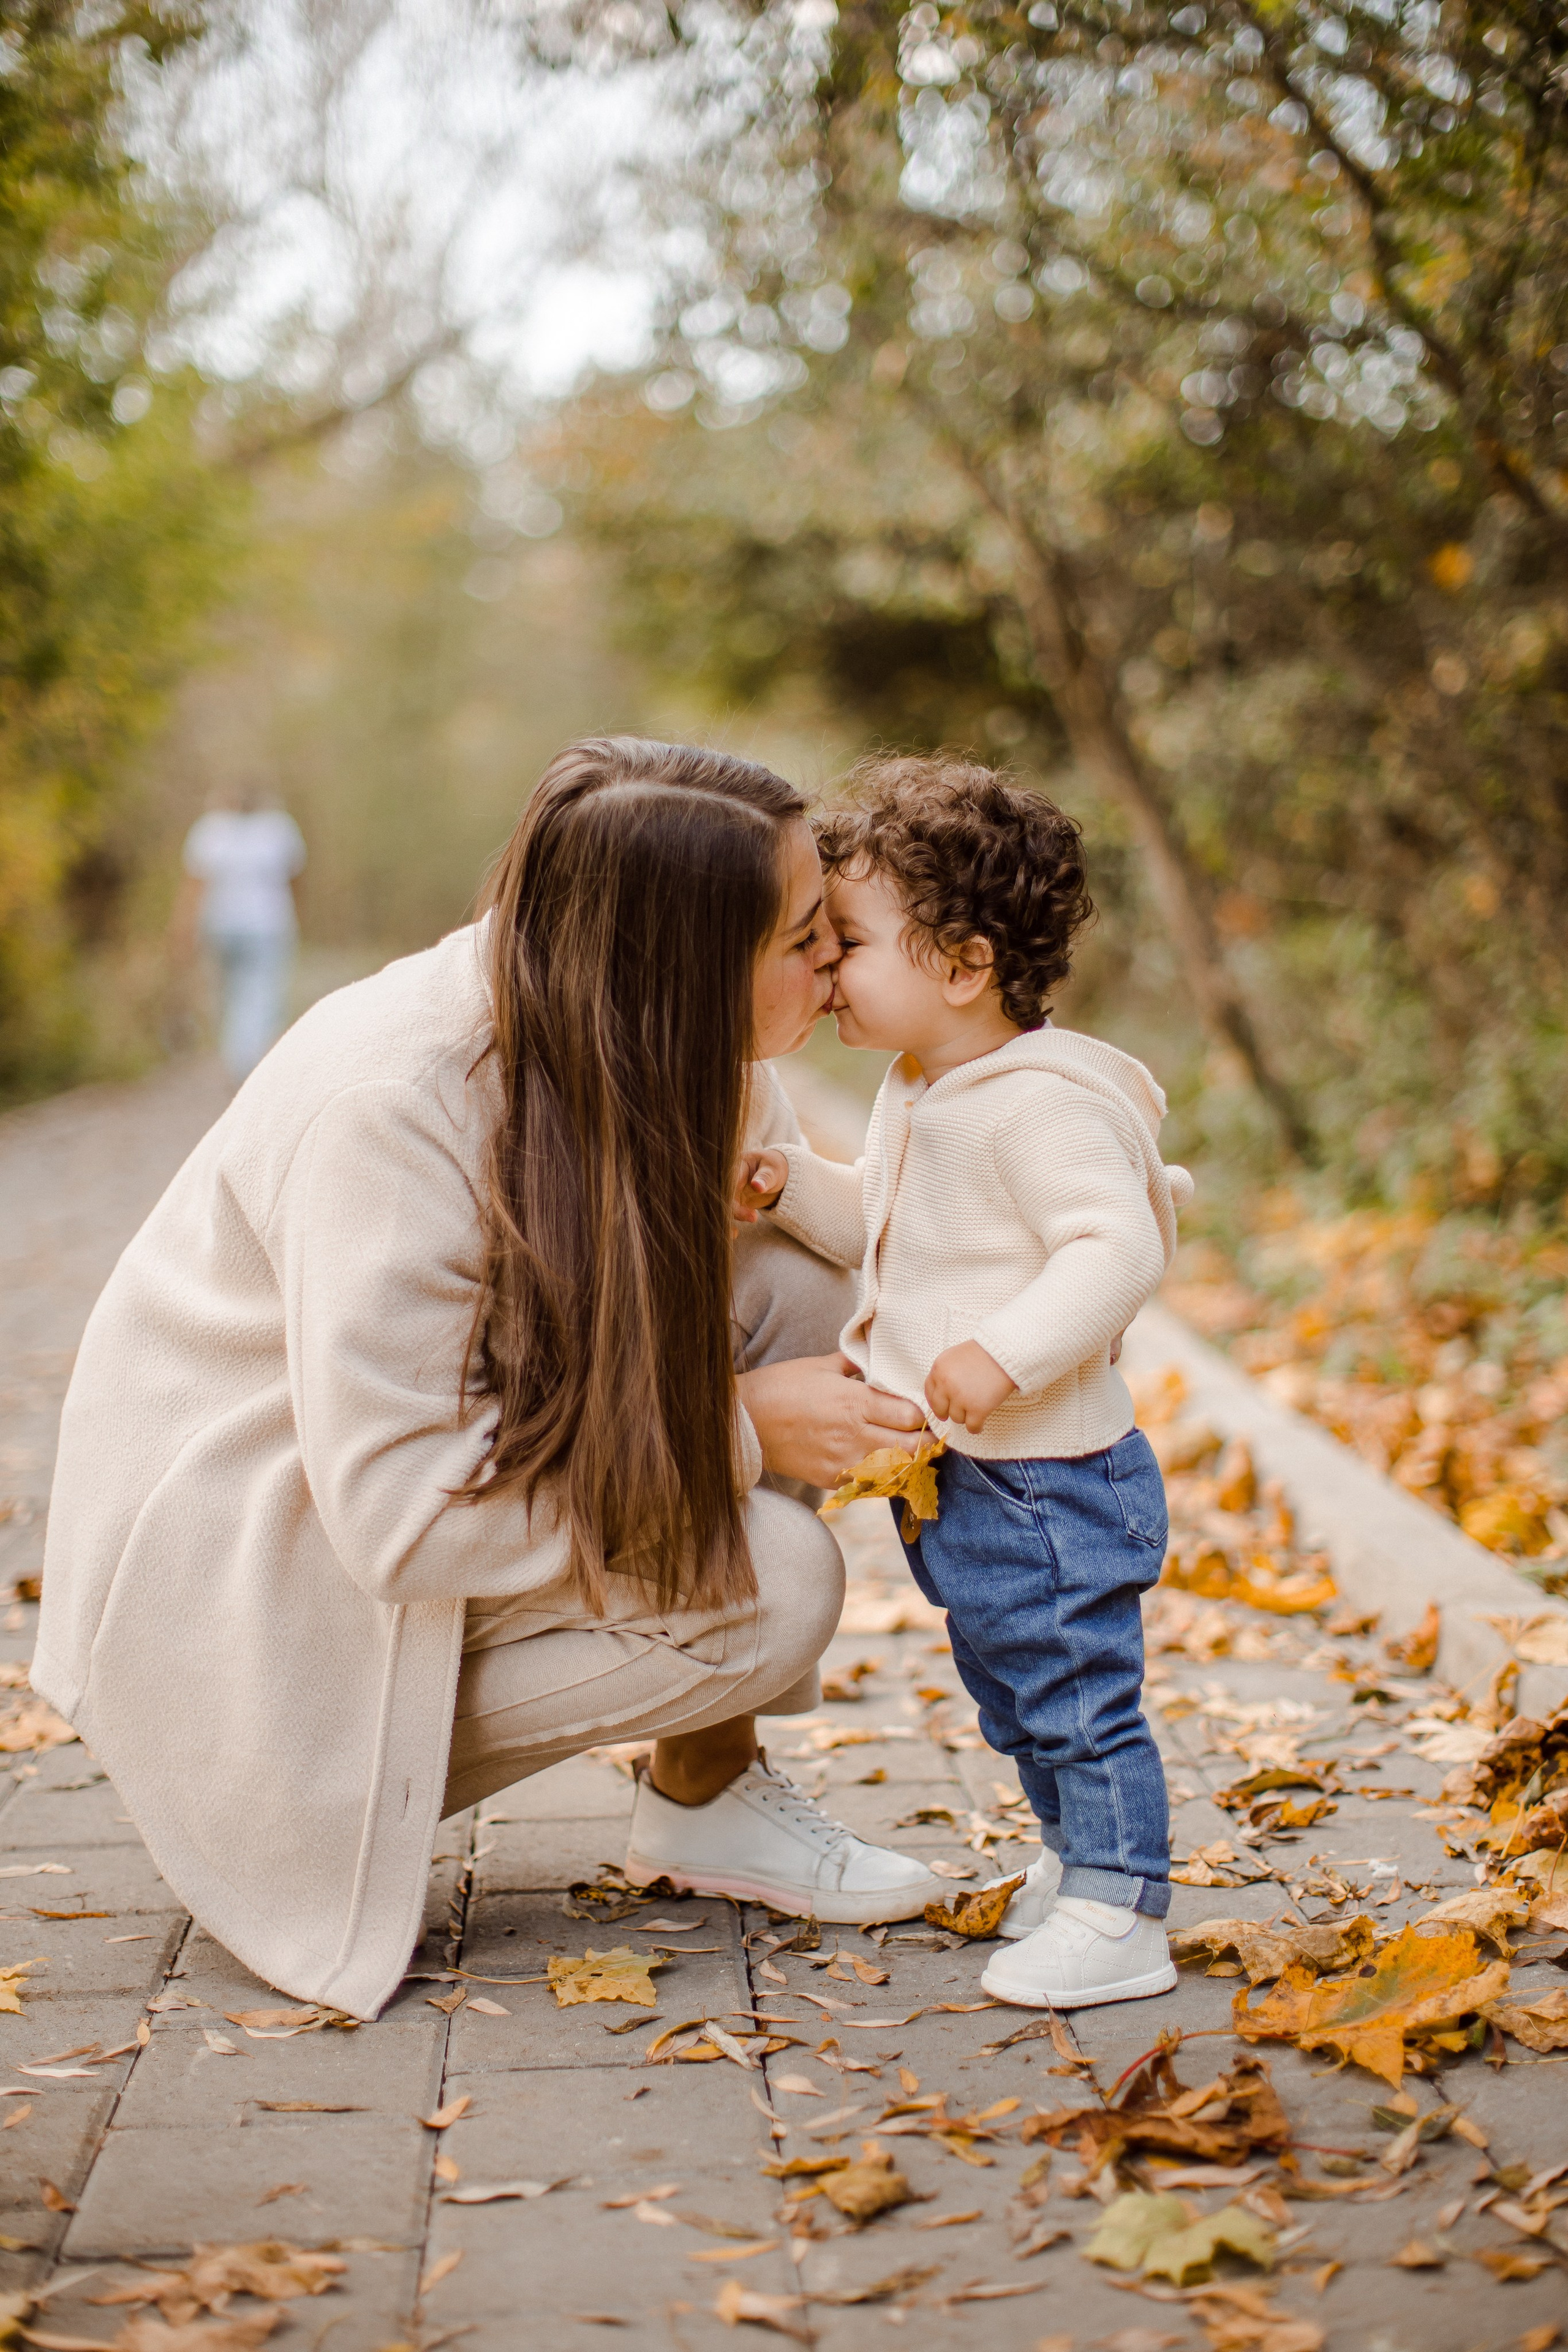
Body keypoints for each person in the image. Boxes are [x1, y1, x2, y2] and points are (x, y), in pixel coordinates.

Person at [34, 739, 944, 2020]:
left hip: (438, 1462)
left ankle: (706, 1797)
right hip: (250, 1585)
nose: (836, 962)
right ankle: (299, 1794)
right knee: (773, 1581)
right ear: (683, 967)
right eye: (805, 938)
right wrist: (732, 1433)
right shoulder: (391, 1105)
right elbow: (401, 1519)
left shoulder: (661, 1037)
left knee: (799, 1293)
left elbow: (825, 1259)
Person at [737, 756, 1193, 2011]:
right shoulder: (924, 1087)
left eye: (849, 944)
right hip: (973, 1478)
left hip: (1047, 1472)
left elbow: (1114, 1248)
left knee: (1073, 1694)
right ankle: (1076, 1865)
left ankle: (1120, 1906)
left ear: (960, 963)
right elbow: (896, 1221)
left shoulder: (1038, 1106)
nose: (826, 972)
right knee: (1012, 1688)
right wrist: (797, 1189)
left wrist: (1004, 1353)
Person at [179, 789, 307, 1082]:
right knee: (261, 994)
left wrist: (185, 929)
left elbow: (195, 886)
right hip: (268, 926)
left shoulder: (210, 830)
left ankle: (238, 1057)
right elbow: (296, 879)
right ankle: (246, 1061)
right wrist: (298, 917)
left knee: (228, 994)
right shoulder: (278, 829)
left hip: (221, 925)